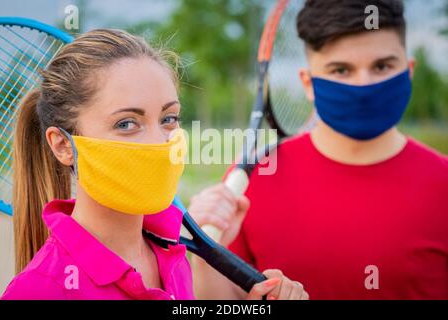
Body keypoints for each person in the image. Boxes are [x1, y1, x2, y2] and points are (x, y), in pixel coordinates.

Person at [1, 29, 307, 300]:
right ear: (63, 145)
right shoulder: (38, 291)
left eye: (168, 119)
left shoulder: (169, 254)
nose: (158, 142)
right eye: (126, 124)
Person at [190, 0, 448, 299]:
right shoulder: (252, 178)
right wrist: (204, 257)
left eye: (382, 66)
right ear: (308, 83)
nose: (363, 85)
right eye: (341, 70)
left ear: (409, 71)